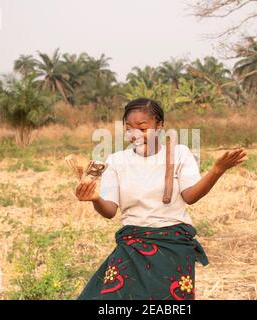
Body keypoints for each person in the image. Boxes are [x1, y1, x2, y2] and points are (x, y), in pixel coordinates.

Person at [76, 98, 246, 300]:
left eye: (143, 128)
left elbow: (190, 196)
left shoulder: (180, 154)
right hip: (131, 247)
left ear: (159, 126)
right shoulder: (116, 161)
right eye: (129, 128)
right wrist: (95, 198)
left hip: (172, 247)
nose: (135, 135)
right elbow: (110, 210)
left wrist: (217, 170)